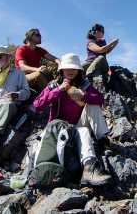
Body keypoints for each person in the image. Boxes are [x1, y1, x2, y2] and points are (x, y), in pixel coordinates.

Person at [33, 53, 111, 186]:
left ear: (79, 70)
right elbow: (37, 105)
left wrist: (83, 95)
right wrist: (58, 90)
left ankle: (101, 143)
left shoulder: (84, 85)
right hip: (59, 128)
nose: (70, 71)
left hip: (77, 125)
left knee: (92, 109)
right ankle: (88, 168)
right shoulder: (53, 86)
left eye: (73, 68)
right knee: (84, 132)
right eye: (67, 68)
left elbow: (100, 99)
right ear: (61, 70)